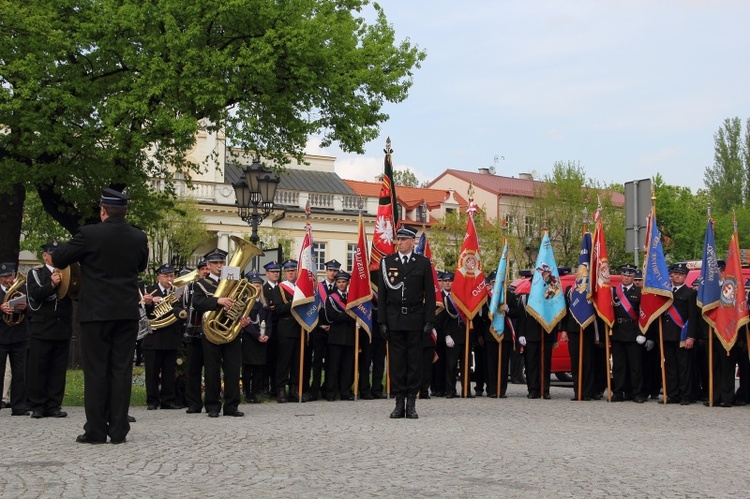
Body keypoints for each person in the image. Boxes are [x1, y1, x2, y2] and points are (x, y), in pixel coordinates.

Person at [52, 188, 149, 444]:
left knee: (96, 371)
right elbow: (140, 266)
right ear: (125, 211)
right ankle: (118, 431)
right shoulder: (139, 236)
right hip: (126, 312)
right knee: (121, 370)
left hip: (95, 313)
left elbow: (60, 258)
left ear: (103, 210)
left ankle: (95, 430)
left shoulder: (89, 234)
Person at [377, 225, 436, 419]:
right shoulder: (387, 262)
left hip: (415, 318)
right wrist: (382, 322)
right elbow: (383, 295)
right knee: (397, 363)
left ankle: (411, 402)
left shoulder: (422, 263)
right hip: (395, 319)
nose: (399, 242)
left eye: (403, 240)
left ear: (412, 242)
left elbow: (430, 294)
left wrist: (429, 321)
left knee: (414, 363)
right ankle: (398, 401)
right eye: (397, 239)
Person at [192, 249, 244, 418]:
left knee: (233, 369)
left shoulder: (233, 283)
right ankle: (212, 406)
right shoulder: (200, 284)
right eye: (215, 263)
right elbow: (198, 303)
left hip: (230, 330)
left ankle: (231, 406)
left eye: (221, 263)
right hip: (211, 331)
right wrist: (218, 301)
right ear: (208, 265)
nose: (219, 266)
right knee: (212, 369)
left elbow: (243, 301)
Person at [25, 242, 73, 419]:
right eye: (52, 253)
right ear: (45, 256)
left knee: (58, 368)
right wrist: (52, 284)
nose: (55, 256)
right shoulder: (36, 273)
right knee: (39, 367)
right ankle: (38, 405)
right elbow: (36, 295)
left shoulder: (67, 273)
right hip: (42, 327)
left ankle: (54, 404)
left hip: (62, 327)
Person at [141, 264, 184, 410]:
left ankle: (168, 400)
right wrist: (149, 303)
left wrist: (174, 308)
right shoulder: (149, 291)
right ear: (159, 277)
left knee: (168, 371)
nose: (169, 279)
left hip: (170, 336)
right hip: (153, 338)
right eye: (166, 276)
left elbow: (180, 310)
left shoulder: (176, 292)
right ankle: (152, 401)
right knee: (152, 372)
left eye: (171, 276)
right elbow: (143, 315)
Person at [660, 263, 699, 405]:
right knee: (670, 366)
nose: (677, 276)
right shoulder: (666, 292)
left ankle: (685, 395)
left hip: (682, 335)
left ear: (685, 276)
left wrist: (691, 336)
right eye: (676, 273)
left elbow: (693, 317)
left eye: (681, 274)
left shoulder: (690, 293)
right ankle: (673, 394)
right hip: (668, 334)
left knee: (684, 368)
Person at [610, 264, 647, 403]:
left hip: (633, 333)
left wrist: (641, 333)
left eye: (629, 275)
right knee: (619, 366)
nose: (626, 278)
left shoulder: (639, 292)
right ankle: (618, 392)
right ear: (621, 276)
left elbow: (643, 314)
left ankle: (636, 393)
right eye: (624, 275)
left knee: (635, 366)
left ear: (633, 277)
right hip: (618, 332)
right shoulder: (613, 292)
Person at [0, 262, 30, 416]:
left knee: (20, 373)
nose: (8, 280)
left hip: (19, 336)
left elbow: (32, 309)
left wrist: (24, 307)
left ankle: (19, 406)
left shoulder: (21, 289)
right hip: (1, 336)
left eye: (10, 276)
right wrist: (1, 307)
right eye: (4, 277)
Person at [272, 260, 302, 403]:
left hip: (300, 328)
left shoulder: (301, 288)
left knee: (297, 361)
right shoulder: (279, 289)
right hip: (285, 329)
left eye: (293, 270)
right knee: (284, 362)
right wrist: (294, 302)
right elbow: (278, 309)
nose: (291, 273)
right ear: (284, 273)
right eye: (288, 271)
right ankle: (281, 389)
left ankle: (294, 389)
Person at [239, 271, 272, 404]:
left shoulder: (264, 303)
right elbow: (245, 323)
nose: (256, 288)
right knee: (248, 367)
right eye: (254, 285)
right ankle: (247, 393)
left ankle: (254, 393)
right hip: (250, 339)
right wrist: (257, 335)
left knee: (259, 367)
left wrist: (267, 335)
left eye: (258, 286)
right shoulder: (245, 303)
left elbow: (269, 322)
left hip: (262, 339)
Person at [324, 271, 356, 401]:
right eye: (339, 282)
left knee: (347, 367)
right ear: (336, 284)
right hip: (336, 337)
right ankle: (330, 392)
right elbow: (332, 317)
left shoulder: (353, 298)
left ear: (348, 283)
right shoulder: (331, 298)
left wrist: (348, 316)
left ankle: (345, 392)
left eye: (343, 282)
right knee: (333, 366)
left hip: (349, 336)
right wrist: (349, 315)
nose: (341, 284)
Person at [183, 258, 210, 413]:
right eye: (202, 269)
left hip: (212, 332)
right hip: (194, 331)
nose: (205, 271)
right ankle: (194, 403)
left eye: (207, 268)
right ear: (199, 272)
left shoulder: (217, 286)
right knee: (193, 369)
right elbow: (183, 304)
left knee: (212, 369)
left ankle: (212, 401)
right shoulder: (191, 287)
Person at [262, 261, 281, 396]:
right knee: (267, 359)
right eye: (273, 272)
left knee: (278, 359)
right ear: (267, 273)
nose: (276, 274)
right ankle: (265, 387)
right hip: (268, 327)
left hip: (281, 328)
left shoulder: (282, 288)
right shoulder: (263, 290)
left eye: (277, 272)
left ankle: (276, 387)